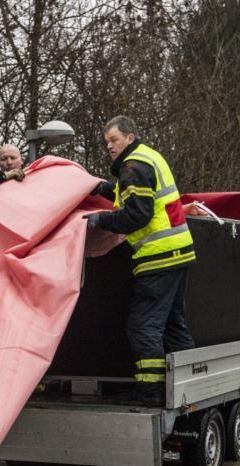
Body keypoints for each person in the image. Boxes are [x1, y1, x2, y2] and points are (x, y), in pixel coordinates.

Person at [85, 116, 196, 404]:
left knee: (143, 326)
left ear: (130, 138)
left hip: (157, 256)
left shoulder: (132, 167)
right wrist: (104, 189)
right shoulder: (147, 159)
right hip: (178, 250)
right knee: (174, 324)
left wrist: (100, 220)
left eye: (114, 140)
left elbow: (137, 214)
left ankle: (149, 392)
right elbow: (134, 200)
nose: (109, 146)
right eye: (107, 142)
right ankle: (189, 386)